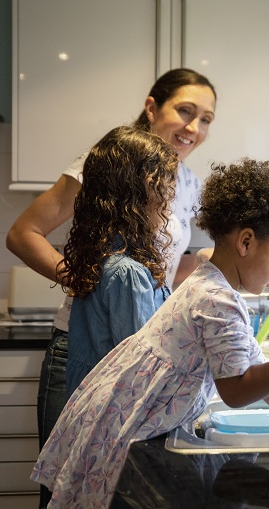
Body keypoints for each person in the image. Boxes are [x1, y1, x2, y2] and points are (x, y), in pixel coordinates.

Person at [31, 159, 269, 508]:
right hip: (135, 436)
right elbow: (238, 389)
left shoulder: (210, 280)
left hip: (125, 423)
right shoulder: (218, 299)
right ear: (247, 241)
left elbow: (251, 363)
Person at [5, 68, 216, 508]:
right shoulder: (106, 163)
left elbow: (162, 273)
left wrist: (207, 273)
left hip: (135, 348)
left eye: (207, 119)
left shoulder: (188, 182)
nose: (194, 128)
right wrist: (88, 278)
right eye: (185, 110)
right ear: (152, 106)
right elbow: (23, 233)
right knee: (68, 490)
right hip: (86, 348)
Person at [58, 126, 179, 397]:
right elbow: (141, 370)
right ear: (139, 196)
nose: (170, 202)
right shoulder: (128, 274)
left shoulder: (100, 257)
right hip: (113, 413)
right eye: (166, 189)